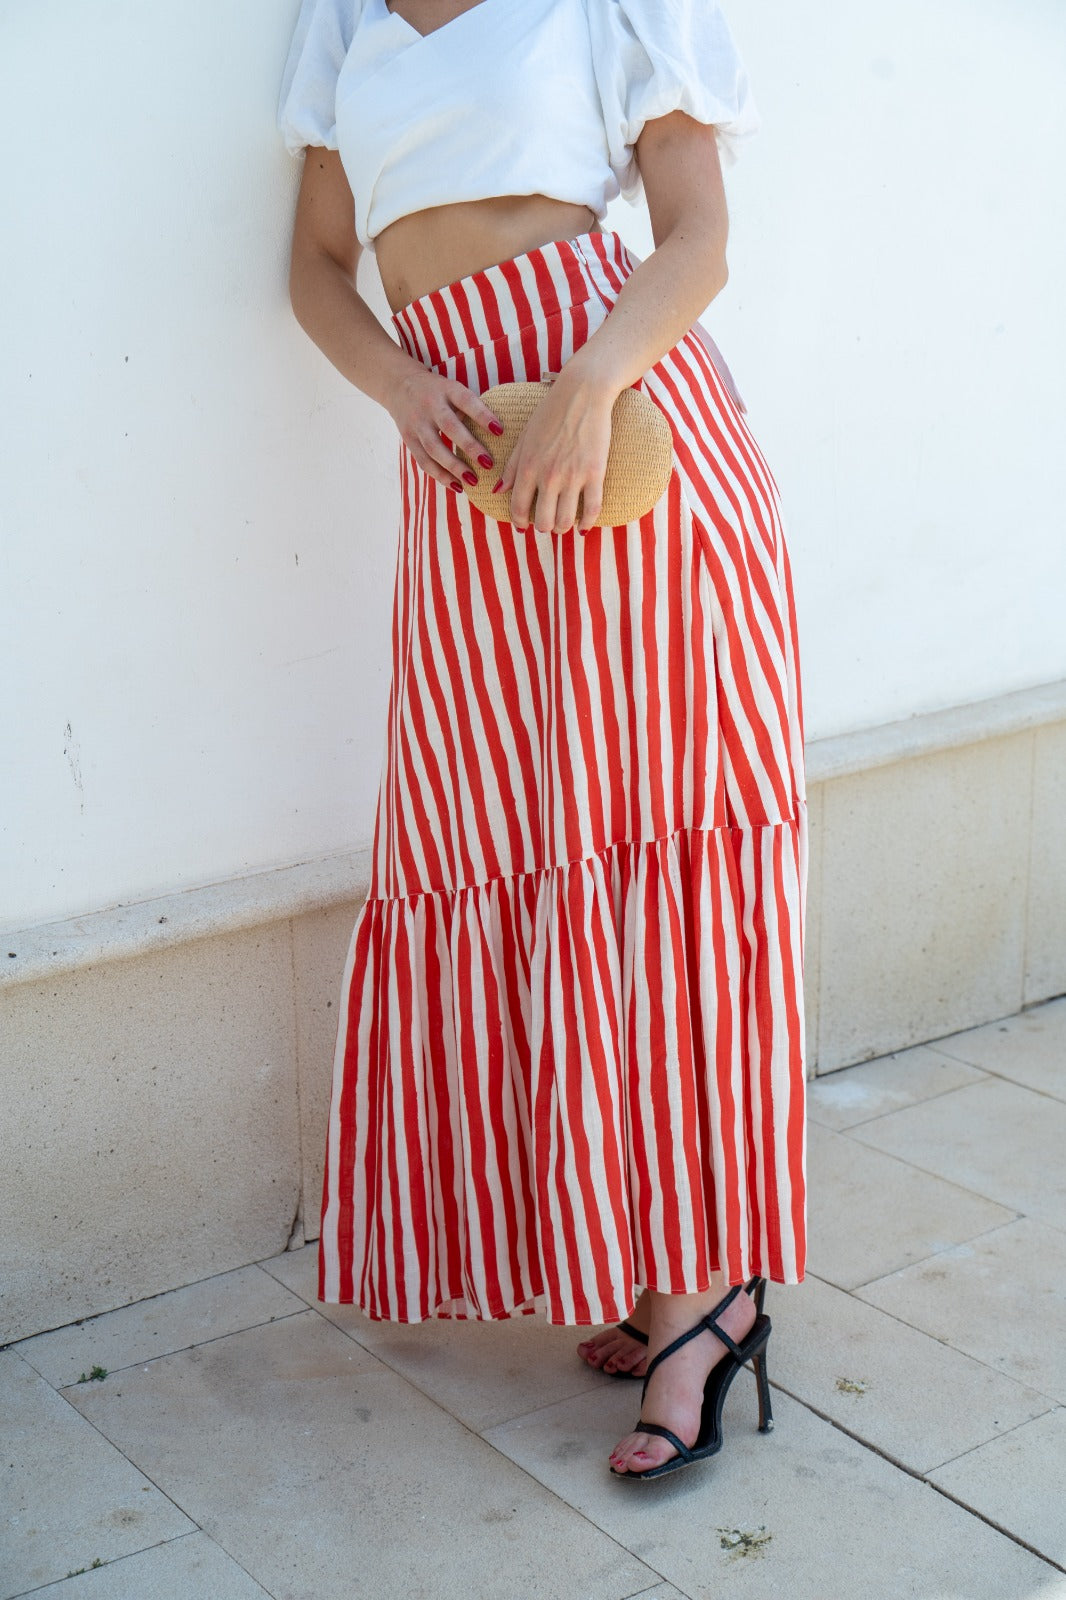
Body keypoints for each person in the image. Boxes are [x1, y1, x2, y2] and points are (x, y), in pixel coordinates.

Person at [278, 0, 807, 1482]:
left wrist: (591, 382)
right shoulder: (341, 18)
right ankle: (642, 1254)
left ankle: (703, 1300)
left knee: (654, 858)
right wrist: (401, 387)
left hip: (623, 441)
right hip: (465, 463)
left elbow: (696, 237)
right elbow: (317, 263)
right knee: (508, 845)